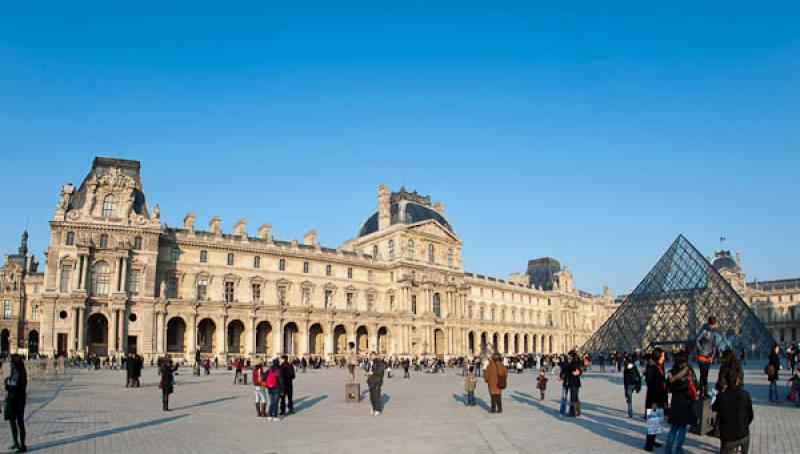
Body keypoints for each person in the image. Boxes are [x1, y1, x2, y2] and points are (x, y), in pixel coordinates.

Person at [712, 364, 753, 453]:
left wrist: (720, 392)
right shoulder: (745, 394)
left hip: (728, 437)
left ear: (726, 382)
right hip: (744, 434)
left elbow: (713, 408)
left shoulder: (721, 397)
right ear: (737, 381)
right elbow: (751, 415)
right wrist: (744, 424)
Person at [664, 351, 696, 454]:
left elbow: (667, 387)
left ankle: (668, 449)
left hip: (675, 402)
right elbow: (696, 385)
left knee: (673, 428)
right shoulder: (689, 371)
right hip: (686, 402)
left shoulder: (671, 372)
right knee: (682, 428)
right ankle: (678, 450)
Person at [644, 348, 667, 451]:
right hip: (653, 399)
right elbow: (651, 385)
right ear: (658, 357)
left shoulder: (658, 366)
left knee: (656, 421)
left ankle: (652, 440)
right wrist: (653, 401)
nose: (664, 358)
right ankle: (648, 444)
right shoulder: (652, 368)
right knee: (653, 421)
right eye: (663, 356)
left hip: (658, 397)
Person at [695, 315, 721, 399]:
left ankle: (705, 392)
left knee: (706, 375)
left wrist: (712, 356)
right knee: (703, 375)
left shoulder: (714, 331)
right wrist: (700, 349)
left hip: (709, 356)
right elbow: (697, 340)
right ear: (712, 323)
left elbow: (714, 345)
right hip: (702, 356)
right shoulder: (704, 331)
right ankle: (702, 393)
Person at [5, 355, 27, 453]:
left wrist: (7, 386)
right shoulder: (17, 370)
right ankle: (16, 442)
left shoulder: (19, 371)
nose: (11, 364)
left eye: (12, 362)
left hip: (17, 400)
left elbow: (16, 386)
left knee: (19, 422)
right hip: (15, 399)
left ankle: (22, 445)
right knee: (12, 420)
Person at [566, 351, 582, 417]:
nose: (568, 357)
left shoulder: (573, 363)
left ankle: (572, 413)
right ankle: (578, 411)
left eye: (569, 356)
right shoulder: (575, 362)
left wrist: (578, 372)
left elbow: (578, 370)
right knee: (575, 397)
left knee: (573, 398)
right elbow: (579, 370)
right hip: (575, 382)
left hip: (573, 382)